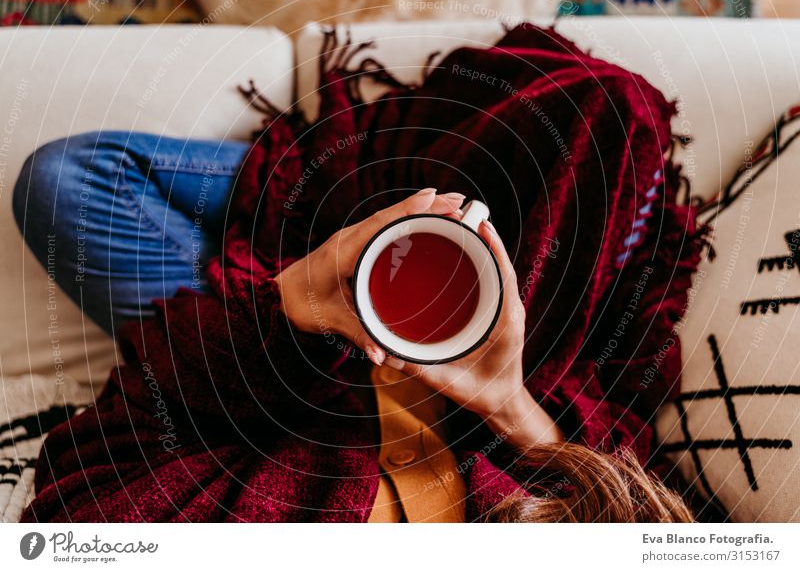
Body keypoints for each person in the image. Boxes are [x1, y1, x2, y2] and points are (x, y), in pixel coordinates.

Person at [14, 130, 693, 522]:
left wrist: (280, 307)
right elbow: (633, 479)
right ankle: (344, 195)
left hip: (259, 366)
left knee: (64, 179)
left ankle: (288, 234)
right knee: (593, 135)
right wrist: (512, 406)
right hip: (484, 364)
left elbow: (90, 484)